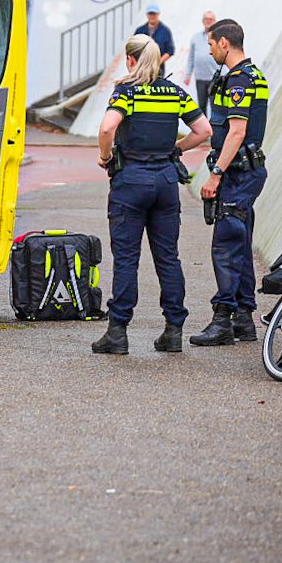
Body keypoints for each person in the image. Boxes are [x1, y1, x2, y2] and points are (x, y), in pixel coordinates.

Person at [93, 34, 212, 355]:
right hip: (165, 182)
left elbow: (107, 128)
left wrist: (105, 157)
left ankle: (117, 333)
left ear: (130, 60)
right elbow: (204, 131)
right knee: (168, 257)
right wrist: (176, 149)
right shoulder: (174, 92)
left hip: (130, 181)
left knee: (127, 259)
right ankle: (173, 330)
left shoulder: (126, 92)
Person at [191, 19, 270, 346]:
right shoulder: (255, 76)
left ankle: (222, 320)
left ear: (225, 43)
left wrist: (216, 174)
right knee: (239, 244)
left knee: (225, 246)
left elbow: (236, 132)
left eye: (211, 44)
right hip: (245, 173)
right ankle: (243, 319)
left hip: (237, 174)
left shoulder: (239, 81)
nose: (209, 50)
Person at [183, 9, 219, 117]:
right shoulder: (195, 38)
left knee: (215, 106)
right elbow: (191, 57)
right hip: (200, 78)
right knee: (202, 106)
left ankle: (215, 132)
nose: (208, 21)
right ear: (202, 21)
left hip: (215, 78)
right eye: (206, 19)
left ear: (215, 21)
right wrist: (188, 74)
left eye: (211, 19)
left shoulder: (219, 38)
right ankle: (204, 132)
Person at [133, 3, 176, 71]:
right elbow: (133, 49)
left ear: (158, 14)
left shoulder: (165, 31)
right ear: (147, 15)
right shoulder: (139, 31)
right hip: (141, 69)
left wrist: (157, 63)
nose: (152, 16)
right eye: (150, 14)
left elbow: (170, 51)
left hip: (158, 70)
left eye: (154, 14)